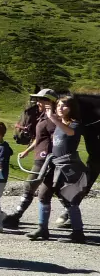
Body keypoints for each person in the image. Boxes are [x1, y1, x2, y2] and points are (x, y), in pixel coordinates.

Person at [30, 94, 88, 243]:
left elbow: (70, 133)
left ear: (71, 108)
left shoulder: (75, 124)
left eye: (64, 106)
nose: (60, 108)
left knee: (70, 199)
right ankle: (42, 229)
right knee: (43, 194)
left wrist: (53, 117)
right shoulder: (58, 122)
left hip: (68, 166)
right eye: (59, 106)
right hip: (54, 164)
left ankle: (78, 233)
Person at [3, 89, 60, 228]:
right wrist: (27, 151)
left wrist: (53, 155)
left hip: (46, 158)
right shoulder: (43, 117)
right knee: (55, 189)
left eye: (41, 100)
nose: (38, 103)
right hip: (41, 156)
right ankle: (70, 217)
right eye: (38, 100)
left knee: (29, 185)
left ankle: (16, 216)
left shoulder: (53, 119)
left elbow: (58, 138)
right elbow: (39, 138)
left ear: (50, 102)